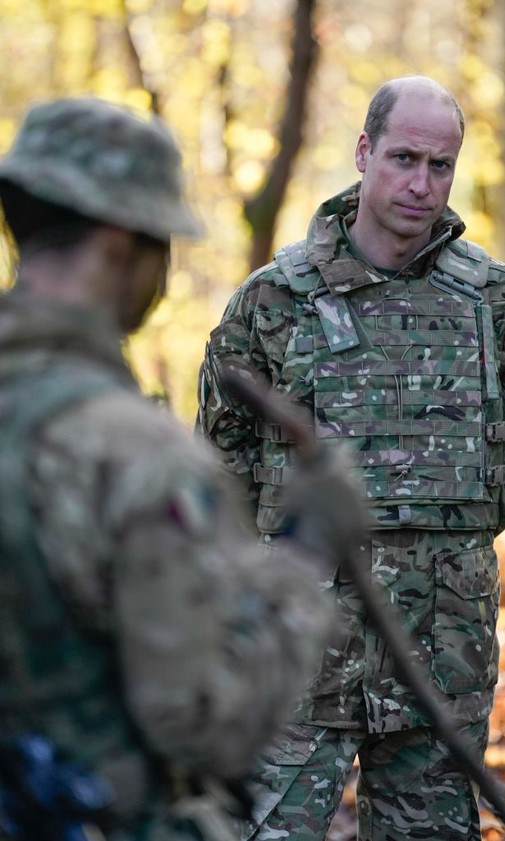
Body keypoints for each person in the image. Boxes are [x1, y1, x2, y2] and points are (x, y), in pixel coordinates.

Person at [197, 75, 505, 841]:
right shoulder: (275, 300)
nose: (420, 184)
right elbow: (220, 450)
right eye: (403, 158)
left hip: (442, 649)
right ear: (364, 152)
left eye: (440, 165)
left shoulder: (497, 303)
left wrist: (452, 542)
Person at [0, 97, 368, 841]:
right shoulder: (132, 452)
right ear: (115, 242)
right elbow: (208, 724)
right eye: (160, 243)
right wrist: (306, 548)